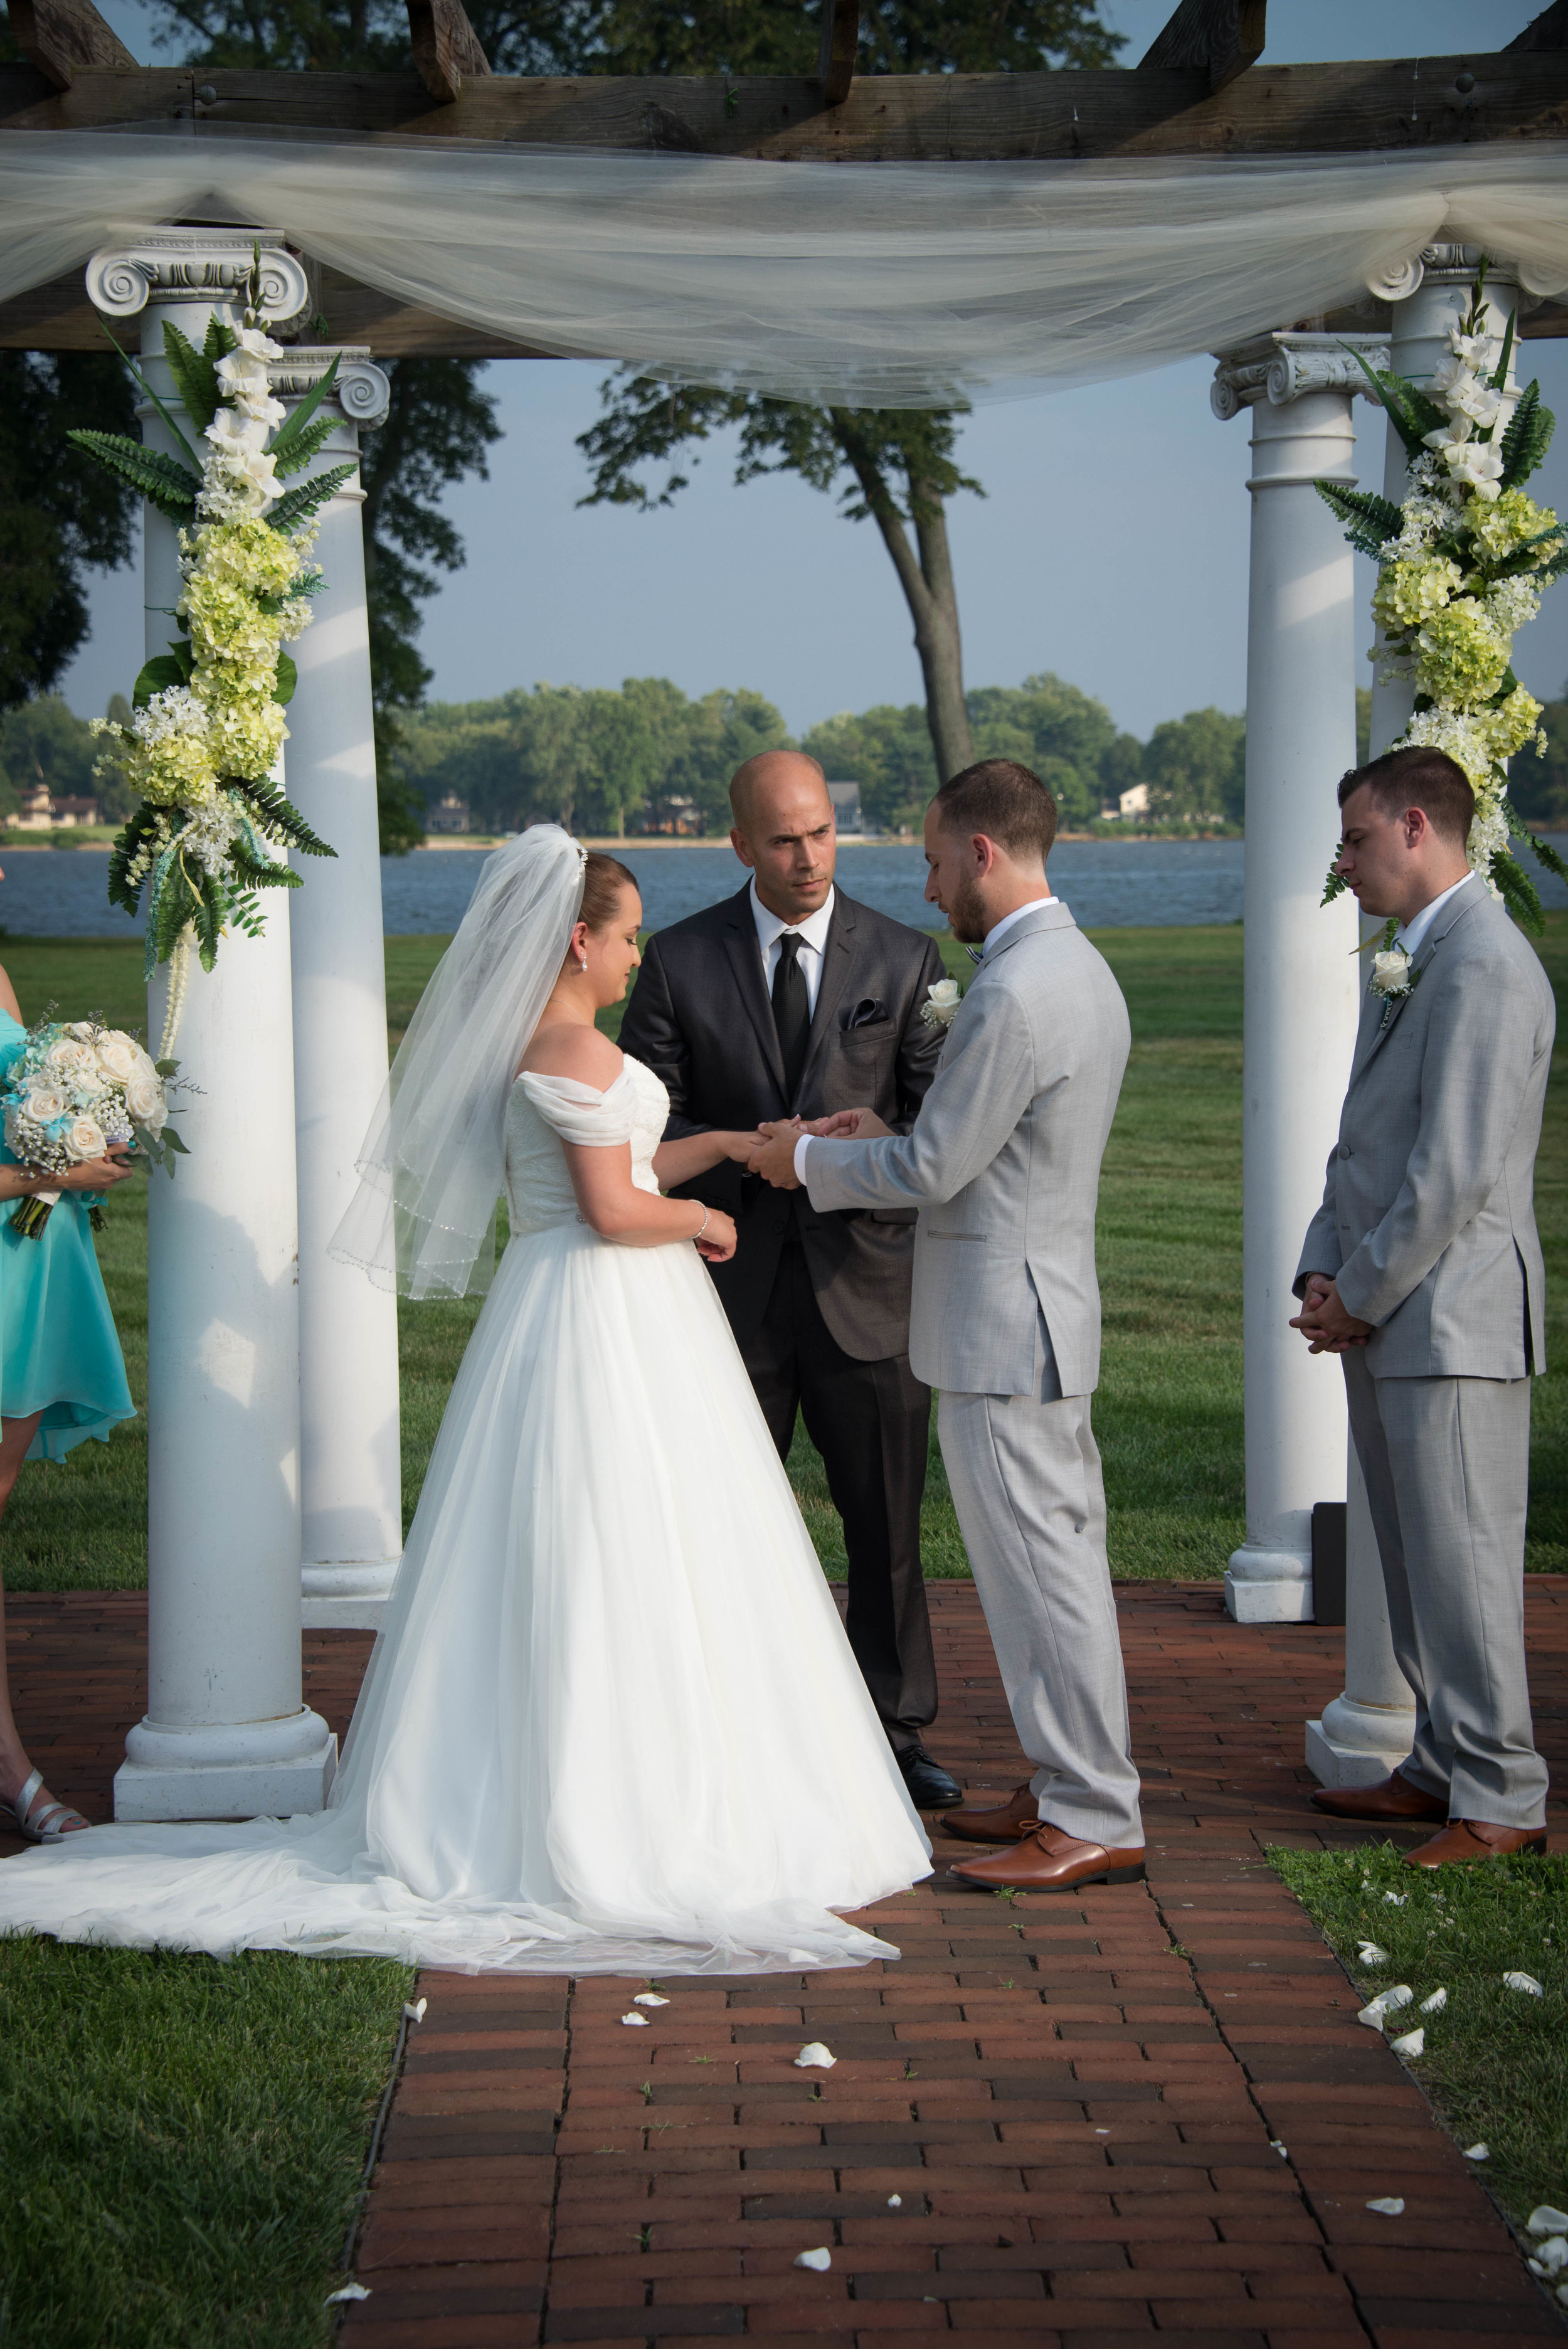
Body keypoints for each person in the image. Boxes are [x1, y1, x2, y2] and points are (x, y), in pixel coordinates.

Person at [0, 830, 931, 1972]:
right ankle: (629, 1807)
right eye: (628, 937)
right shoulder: (575, 1052)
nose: (638, 960)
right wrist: (708, 1220)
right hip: (605, 1308)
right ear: (579, 938)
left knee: (579, 1547)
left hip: (571, 1305)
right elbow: (613, 1207)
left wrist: (734, 1145)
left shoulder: (547, 1045)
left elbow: (631, 1162)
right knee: (622, 1544)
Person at [750, 760, 1146, 1894]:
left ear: (982, 851)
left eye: (931, 860)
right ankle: (1069, 1780)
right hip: (1034, 1309)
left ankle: (1093, 1811)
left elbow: (933, 1164)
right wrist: (875, 1120)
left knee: (1042, 1569)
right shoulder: (1068, 967)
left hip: (1002, 1325)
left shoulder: (1018, 991)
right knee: (1052, 1561)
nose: (924, 889)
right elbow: (983, 1145)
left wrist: (811, 1157)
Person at [619, 751, 961, 1810]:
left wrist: (853, 1145)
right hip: (729, 1291)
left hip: (872, 1288)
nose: (808, 857)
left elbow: (935, 1124)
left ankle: (896, 1738)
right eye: (783, 840)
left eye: (821, 834)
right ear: (738, 844)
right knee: (722, 1526)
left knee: (886, 1530)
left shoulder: (907, 958)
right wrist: (745, 1154)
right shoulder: (677, 961)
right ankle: (730, 1729)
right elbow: (648, 1121)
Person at [1292, 746, 1554, 1869]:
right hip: (1395, 1313)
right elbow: (1366, 1138)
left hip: (1452, 1320)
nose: (1342, 861)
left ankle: (1503, 1796)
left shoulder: (1487, 963)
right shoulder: (1413, 952)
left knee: (1467, 1565)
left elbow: (1454, 1170)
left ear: (1413, 826)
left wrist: (1358, 1291)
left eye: (1353, 839)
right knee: (1412, 1561)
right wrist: (1321, 1262)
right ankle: (1444, 1764)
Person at [0, 939, 137, 1843]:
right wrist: (55, 1172)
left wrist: (92, 1126)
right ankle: (14, 1773)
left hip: (30, 1273)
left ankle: (6, 1766)